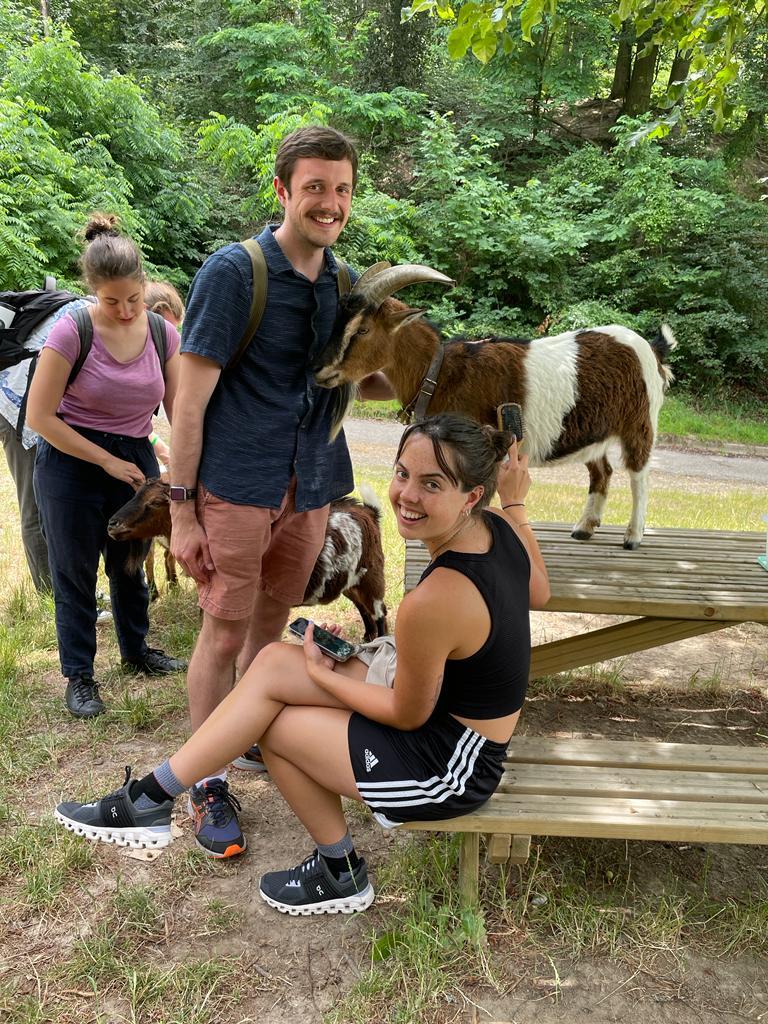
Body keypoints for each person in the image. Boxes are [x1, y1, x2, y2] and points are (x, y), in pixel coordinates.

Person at [54, 412, 551, 916]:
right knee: (272, 663)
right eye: (403, 473)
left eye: (432, 484)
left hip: (451, 767)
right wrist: (517, 504)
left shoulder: (437, 598)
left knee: (277, 725)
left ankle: (341, 873)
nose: (407, 495)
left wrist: (320, 673)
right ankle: (150, 799)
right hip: (447, 711)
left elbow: (407, 715)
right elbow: (540, 590)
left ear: (470, 496)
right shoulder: (498, 526)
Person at [167, 125, 392, 857]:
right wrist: (181, 510)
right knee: (224, 629)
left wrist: (427, 359)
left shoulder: (345, 284)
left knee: (270, 629)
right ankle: (206, 782)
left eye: (343, 189)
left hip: (312, 488)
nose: (331, 203)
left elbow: (367, 379)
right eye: (316, 188)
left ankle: (250, 729)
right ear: (283, 191)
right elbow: (190, 402)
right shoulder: (234, 274)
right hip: (238, 487)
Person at [27, 214, 187, 720]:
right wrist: (105, 461)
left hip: (135, 456)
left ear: (145, 287)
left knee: (131, 564)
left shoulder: (163, 334)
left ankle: (137, 653)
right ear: (92, 291)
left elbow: (181, 412)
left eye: (133, 300)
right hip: (70, 461)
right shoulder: (71, 330)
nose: (123, 311)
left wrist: (181, 466)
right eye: (110, 301)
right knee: (74, 571)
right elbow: (39, 417)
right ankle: (79, 676)